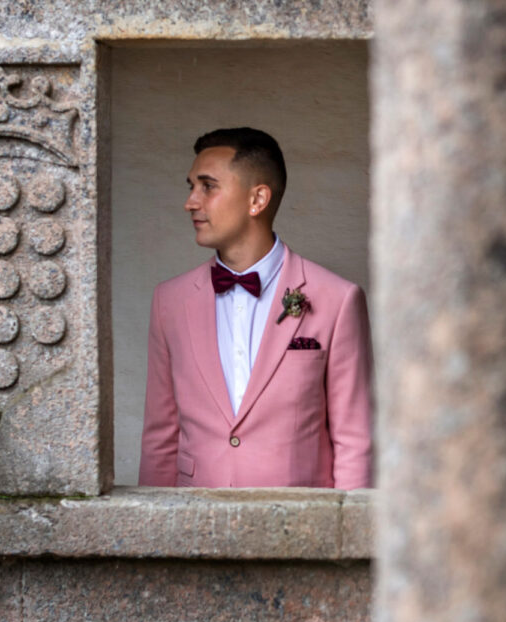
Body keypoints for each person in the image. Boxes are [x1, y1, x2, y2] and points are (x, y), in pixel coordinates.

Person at [139, 127, 373, 489]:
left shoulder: (338, 299)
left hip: (303, 526)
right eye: (191, 187)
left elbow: (354, 440)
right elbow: (160, 438)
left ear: (257, 199)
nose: (191, 202)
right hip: (193, 522)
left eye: (208, 186)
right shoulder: (169, 301)